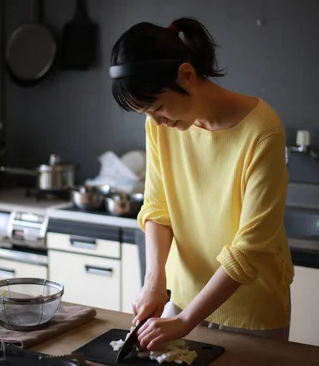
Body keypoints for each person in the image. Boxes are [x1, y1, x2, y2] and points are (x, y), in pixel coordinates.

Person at [108, 18, 294, 351]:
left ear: (187, 75)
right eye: (146, 114)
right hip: (181, 300)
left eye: (159, 108)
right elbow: (157, 207)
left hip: (252, 313)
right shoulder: (162, 126)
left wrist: (185, 321)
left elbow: (251, 249)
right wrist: (155, 281)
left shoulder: (263, 131)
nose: (157, 122)